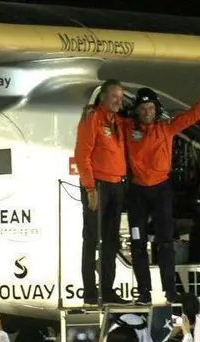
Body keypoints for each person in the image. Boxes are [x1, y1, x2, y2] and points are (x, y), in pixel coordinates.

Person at [124, 78, 200, 305]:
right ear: (136, 111)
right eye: (143, 109)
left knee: (166, 242)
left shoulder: (167, 127)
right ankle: (144, 293)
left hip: (161, 190)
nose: (147, 112)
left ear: (157, 109)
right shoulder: (126, 128)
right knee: (138, 242)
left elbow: (193, 115)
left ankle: (170, 291)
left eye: (151, 108)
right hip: (137, 193)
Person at [75, 79, 130, 306]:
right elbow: (82, 156)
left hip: (116, 185)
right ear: (103, 97)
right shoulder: (93, 119)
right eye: (114, 96)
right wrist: (90, 189)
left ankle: (107, 290)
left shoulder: (117, 121)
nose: (119, 101)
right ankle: (90, 292)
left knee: (110, 241)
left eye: (121, 97)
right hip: (97, 185)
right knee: (91, 239)